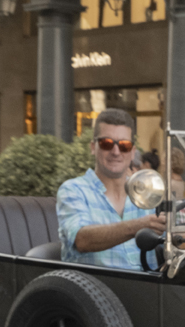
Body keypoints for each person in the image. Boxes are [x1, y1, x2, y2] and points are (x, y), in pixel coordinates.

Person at [57, 108, 167, 269]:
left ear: (132, 152)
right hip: (94, 290)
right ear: (93, 147)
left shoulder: (146, 190)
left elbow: (174, 233)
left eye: (124, 145)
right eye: (107, 143)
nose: (116, 152)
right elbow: (82, 239)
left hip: (150, 290)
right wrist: (139, 226)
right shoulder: (73, 190)